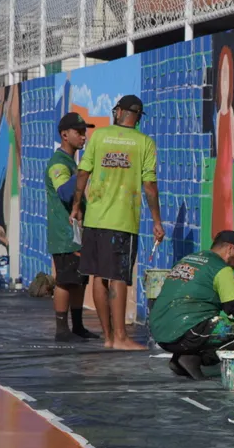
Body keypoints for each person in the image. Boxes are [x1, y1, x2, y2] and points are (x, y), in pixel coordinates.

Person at [70, 94, 165, 351]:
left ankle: (109, 336)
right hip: (122, 221)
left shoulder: (99, 137)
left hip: (95, 219)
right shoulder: (145, 143)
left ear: (120, 111)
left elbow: (82, 173)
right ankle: (121, 337)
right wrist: (157, 219)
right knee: (119, 277)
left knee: (99, 277)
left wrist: (77, 206)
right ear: (137, 116)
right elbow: (149, 186)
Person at [149, 230, 234, 380]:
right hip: (186, 330)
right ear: (231, 249)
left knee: (208, 321)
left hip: (159, 331)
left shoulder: (187, 260)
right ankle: (192, 359)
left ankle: (179, 359)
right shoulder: (221, 268)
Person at [46, 112, 99, 342]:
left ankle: (77, 326)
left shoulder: (70, 162)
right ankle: (61, 328)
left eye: (84, 132)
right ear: (64, 135)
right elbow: (65, 192)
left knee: (79, 280)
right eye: (79, 132)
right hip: (64, 233)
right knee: (66, 280)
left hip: (76, 234)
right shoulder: (58, 164)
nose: (83, 136)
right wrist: (82, 170)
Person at [211, 45, 234, 236]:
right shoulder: (219, 114)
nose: (224, 82)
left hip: (227, 169)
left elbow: (233, 143)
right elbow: (219, 145)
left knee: (227, 199)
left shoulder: (229, 112)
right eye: (222, 76)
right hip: (220, 169)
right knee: (220, 199)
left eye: (227, 75)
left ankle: (226, 231)